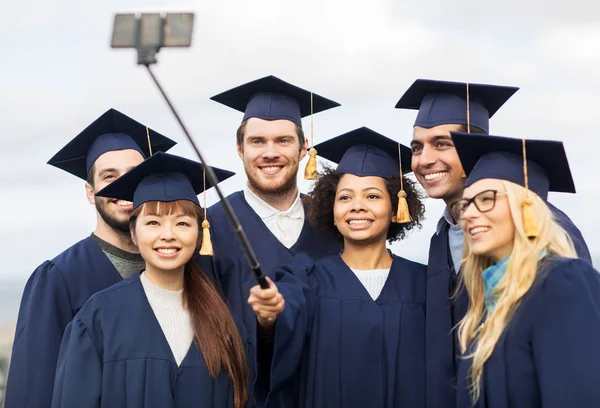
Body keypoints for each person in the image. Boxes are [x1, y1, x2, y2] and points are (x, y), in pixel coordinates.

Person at [395, 79, 591, 408]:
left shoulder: (550, 236)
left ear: (475, 149)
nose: (424, 160)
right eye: (417, 147)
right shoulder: (441, 237)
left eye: (442, 143)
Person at [51, 152, 255, 407]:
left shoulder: (225, 323)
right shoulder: (97, 319)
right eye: (153, 223)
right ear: (134, 234)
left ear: (200, 232)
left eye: (182, 223)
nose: (167, 235)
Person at [5, 109, 176, 408]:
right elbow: (34, 387)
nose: (124, 185)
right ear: (89, 191)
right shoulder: (59, 278)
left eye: (135, 173)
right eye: (110, 176)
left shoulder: (182, 270)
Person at [248, 127, 427, 407]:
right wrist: (269, 317)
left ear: (396, 208)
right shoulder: (305, 279)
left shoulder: (425, 284)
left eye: (372, 196)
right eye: (345, 197)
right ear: (331, 210)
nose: (357, 206)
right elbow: (284, 322)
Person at [448, 132, 600, 407]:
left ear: (527, 207)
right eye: (465, 204)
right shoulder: (486, 312)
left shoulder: (563, 282)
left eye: (486, 199)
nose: (468, 214)